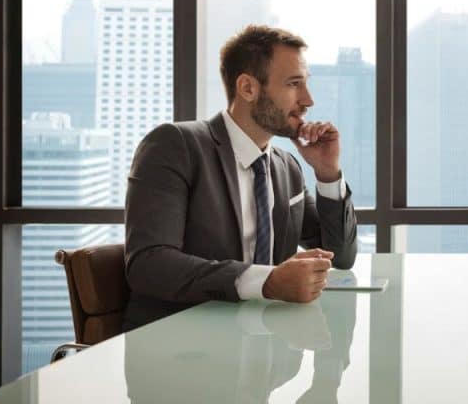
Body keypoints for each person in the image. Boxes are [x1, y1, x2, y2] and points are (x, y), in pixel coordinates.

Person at [124, 25, 358, 330]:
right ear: (248, 88)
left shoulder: (286, 166)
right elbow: (148, 264)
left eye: (306, 84)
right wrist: (267, 281)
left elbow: (340, 255)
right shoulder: (175, 145)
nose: (308, 99)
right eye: (293, 84)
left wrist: (327, 173)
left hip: (270, 352)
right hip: (183, 347)